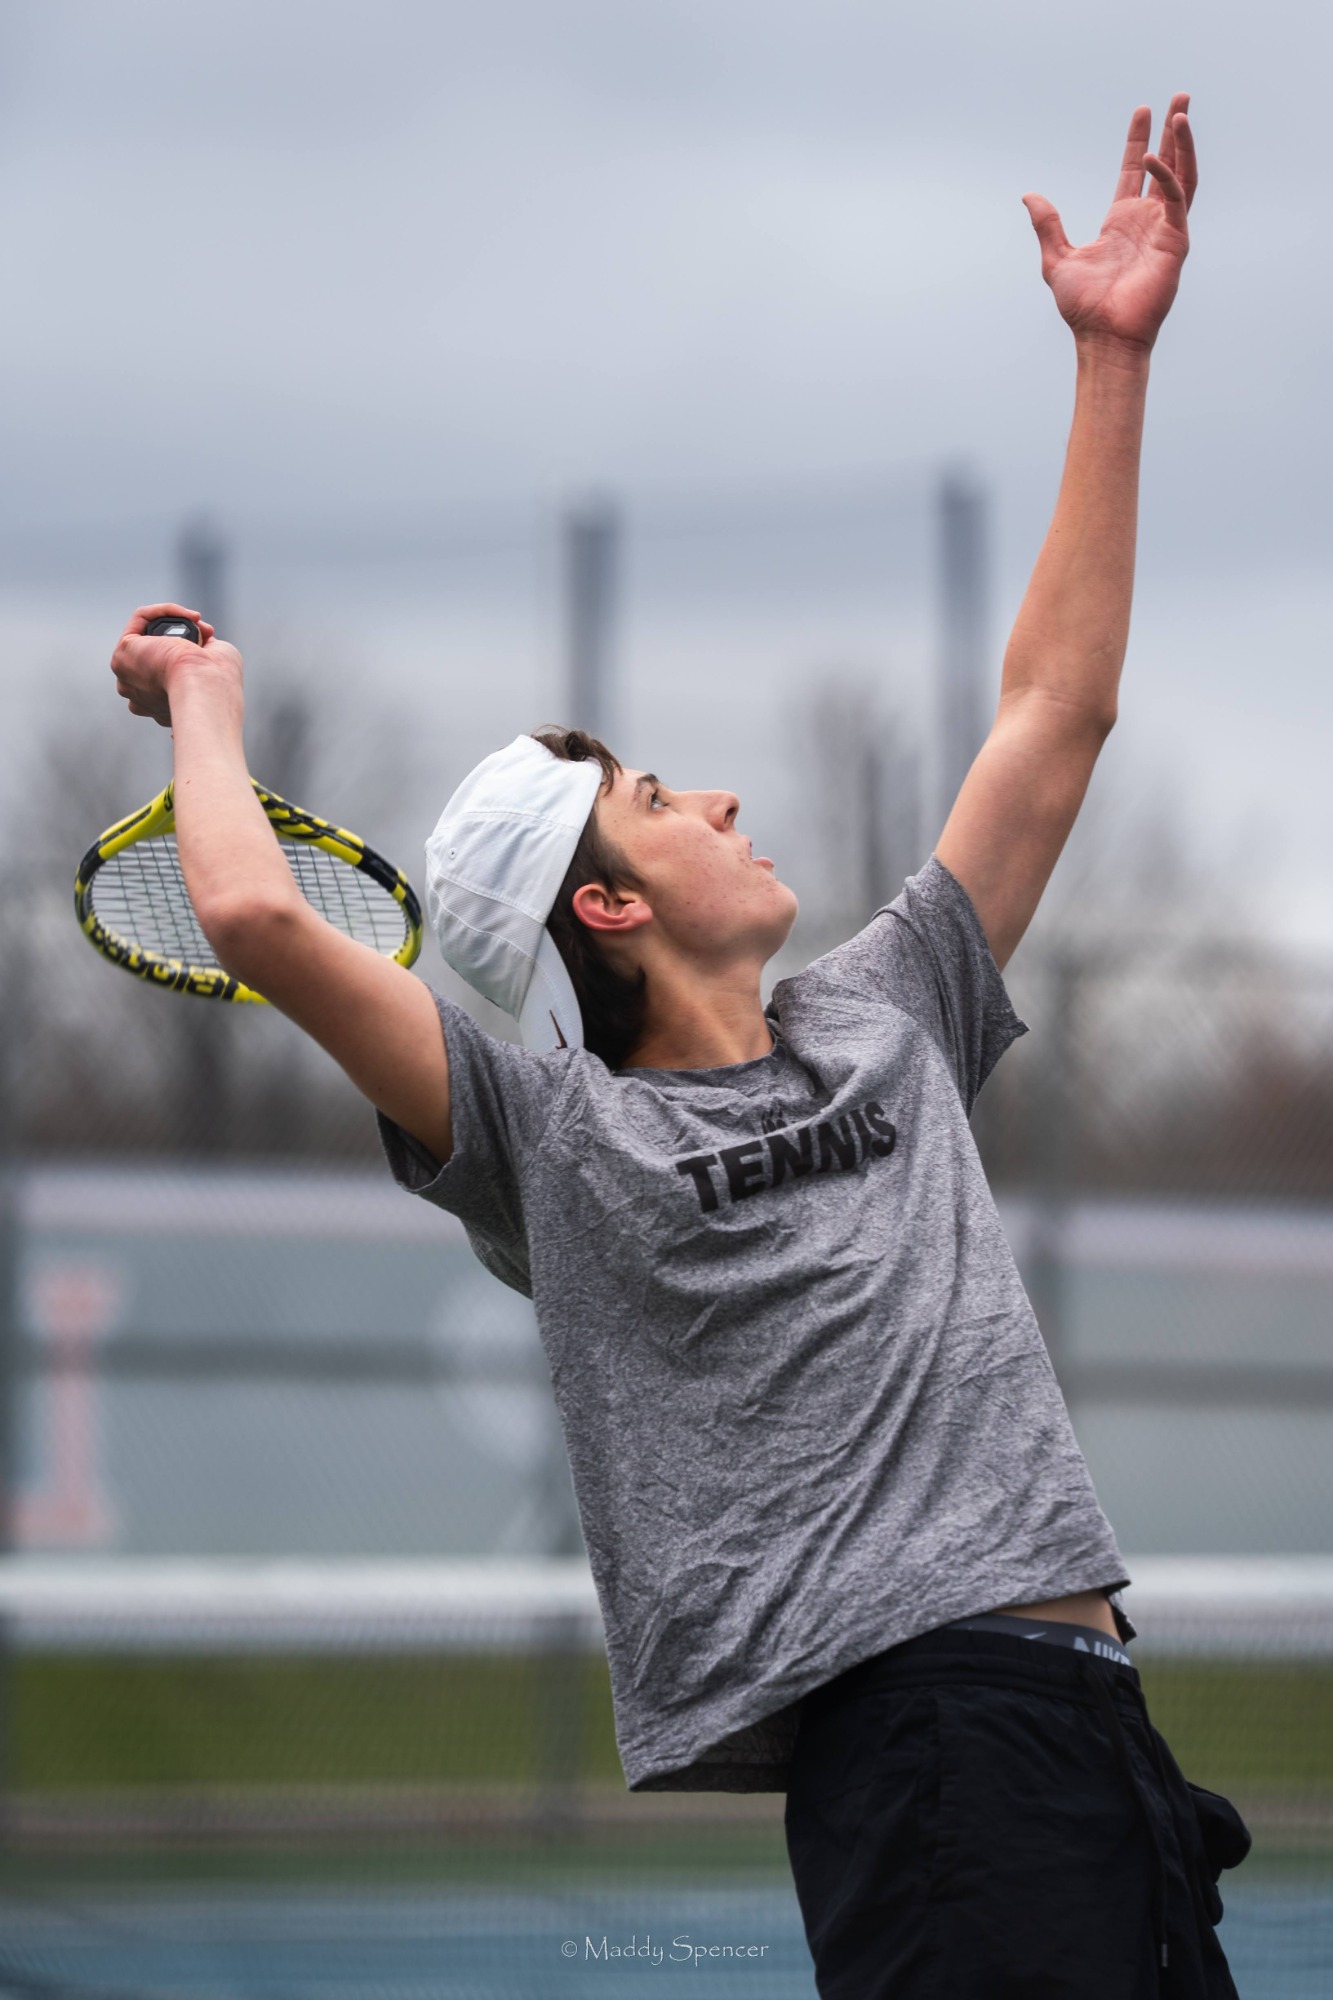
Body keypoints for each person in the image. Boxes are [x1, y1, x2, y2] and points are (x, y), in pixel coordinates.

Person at [110, 94, 1248, 1998]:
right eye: (654, 798)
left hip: (1094, 1739)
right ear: (606, 908)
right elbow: (251, 918)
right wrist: (204, 701)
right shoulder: (552, 1136)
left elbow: (1052, 710)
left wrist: (1109, 356)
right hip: (932, 1759)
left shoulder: (888, 1007)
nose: (715, 796)